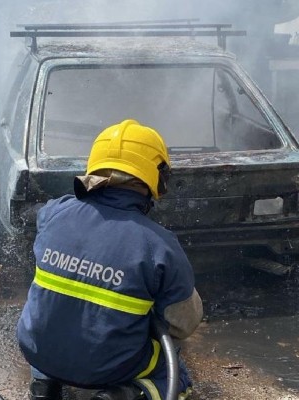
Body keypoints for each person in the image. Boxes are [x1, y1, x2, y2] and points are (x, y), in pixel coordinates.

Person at [17, 119, 204, 400]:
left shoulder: (55, 213)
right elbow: (183, 323)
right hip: (108, 368)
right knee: (175, 374)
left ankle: (44, 386)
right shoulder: (160, 246)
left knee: (54, 327)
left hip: (36, 349)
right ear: (157, 175)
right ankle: (123, 396)